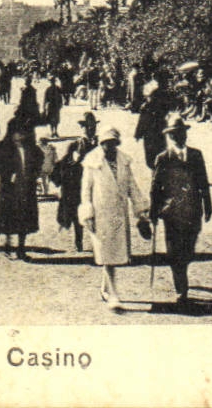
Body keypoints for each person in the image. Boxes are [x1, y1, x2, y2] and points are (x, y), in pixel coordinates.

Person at [80, 126, 150, 305]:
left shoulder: (124, 161)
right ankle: (113, 294)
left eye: (112, 144)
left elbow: (131, 187)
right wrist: (87, 212)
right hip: (100, 214)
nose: (109, 148)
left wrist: (141, 211)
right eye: (105, 144)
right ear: (100, 144)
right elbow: (85, 190)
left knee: (111, 255)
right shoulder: (92, 162)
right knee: (107, 254)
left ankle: (105, 289)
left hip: (119, 213)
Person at [149, 114, 212, 307]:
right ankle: (181, 290)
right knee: (175, 252)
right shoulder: (163, 158)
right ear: (169, 136)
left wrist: (208, 205)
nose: (178, 137)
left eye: (181, 133)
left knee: (188, 250)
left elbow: (203, 182)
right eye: (174, 134)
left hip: (193, 211)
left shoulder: (196, 155)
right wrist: (154, 211)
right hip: (172, 213)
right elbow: (155, 187)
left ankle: (181, 276)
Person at [0, 113, 42, 259]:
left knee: (25, 217)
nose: (19, 136)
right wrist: (9, 173)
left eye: (22, 133)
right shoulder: (3, 149)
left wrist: (34, 176)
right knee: (9, 216)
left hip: (27, 188)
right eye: (16, 133)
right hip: (10, 189)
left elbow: (37, 165)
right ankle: (8, 243)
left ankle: (21, 247)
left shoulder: (32, 150)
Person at [52, 140, 88, 251]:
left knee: (79, 221)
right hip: (67, 196)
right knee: (69, 218)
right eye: (78, 149)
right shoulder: (63, 162)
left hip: (79, 196)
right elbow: (55, 177)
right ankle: (74, 239)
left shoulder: (85, 162)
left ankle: (79, 242)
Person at [134, 80, 172, 172]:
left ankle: (157, 171)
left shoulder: (151, 107)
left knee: (156, 154)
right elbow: (142, 121)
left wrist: (138, 134)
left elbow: (142, 121)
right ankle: (156, 170)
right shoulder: (148, 107)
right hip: (153, 135)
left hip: (154, 135)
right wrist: (138, 133)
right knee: (154, 154)